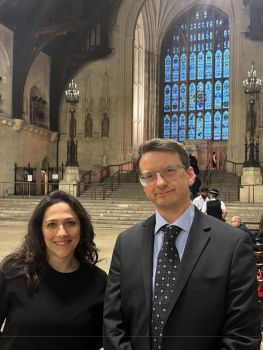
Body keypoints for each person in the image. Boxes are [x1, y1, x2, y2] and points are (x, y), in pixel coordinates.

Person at [103, 138, 261, 350]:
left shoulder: (232, 244)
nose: (159, 182)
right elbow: (113, 323)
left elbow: (243, 335)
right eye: (149, 176)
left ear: (189, 175)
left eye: (168, 171)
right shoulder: (126, 242)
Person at [0, 190, 107, 350]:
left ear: (81, 227)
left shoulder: (98, 281)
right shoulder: (13, 273)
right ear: (40, 231)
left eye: (70, 223)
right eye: (52, 224)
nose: (62, 233)